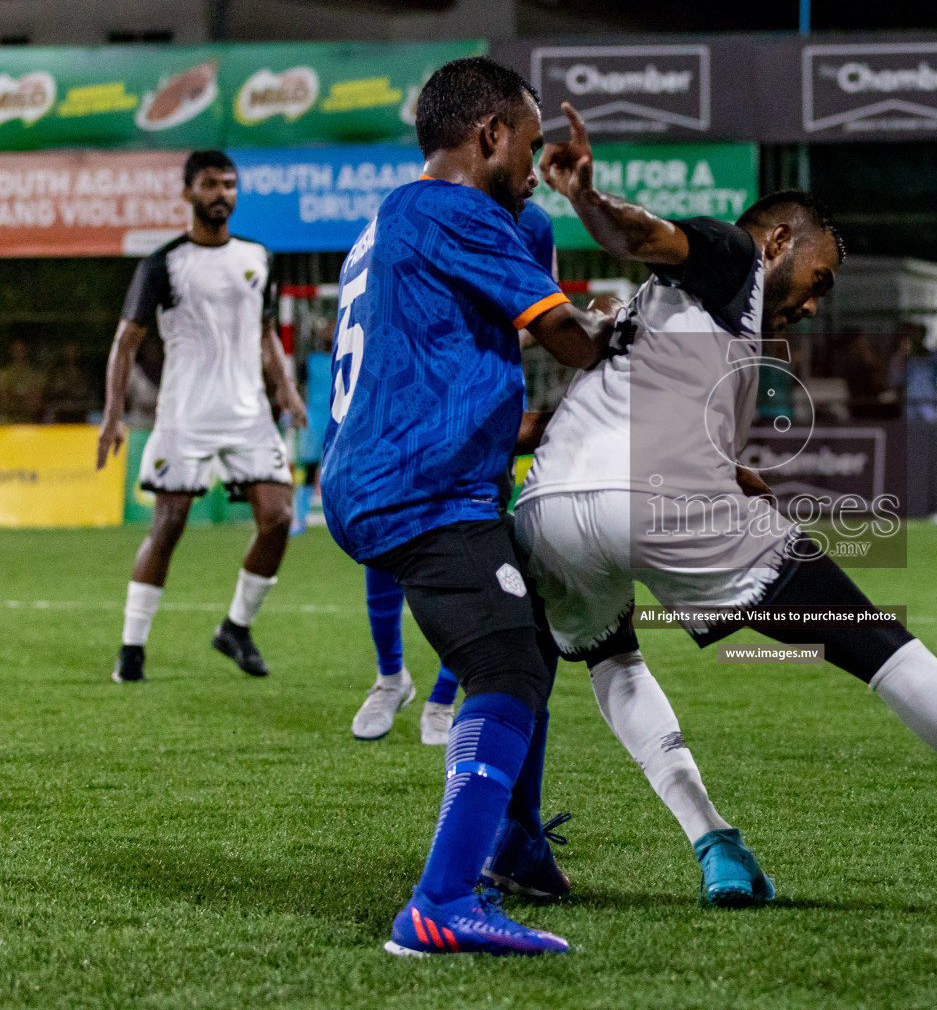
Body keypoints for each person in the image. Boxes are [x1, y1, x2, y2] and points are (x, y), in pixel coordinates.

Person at [516, 102, 937, 910]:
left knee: (613, 657)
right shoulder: (734, 255)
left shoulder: (672, 313)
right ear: (777, 243)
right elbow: (638, 234)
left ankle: (715, 844)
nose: (816, 302)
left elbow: (618, 404)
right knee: (878, 644)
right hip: (658, 507)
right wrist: (585, 198)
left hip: (549, 508)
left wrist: (727, 471)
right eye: (819, 276)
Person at [321, 57, 616, 958]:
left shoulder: (398, 218)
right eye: (528, 146)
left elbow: (444, 375)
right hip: (416, 486)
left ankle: (517, 848)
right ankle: (439, 905)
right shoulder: (451, 207)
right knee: (507, 665)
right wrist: (662, 325)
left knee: (529, 643)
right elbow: (572, 340)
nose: (533, 167)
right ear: (488, 135)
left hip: (400, 466)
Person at [348, 200, 559, 746]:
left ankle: (443, 700)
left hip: (480, 406)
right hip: (411, 410)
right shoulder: (413, 213)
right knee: (393, 539)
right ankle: (389, 677)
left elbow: (541, 313)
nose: (531, 168)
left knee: (479, 547)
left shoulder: (532, 223)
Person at [95, 150, 307, 684]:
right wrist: (113, 415)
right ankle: (132, 648)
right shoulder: (163, 264)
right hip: (185, 415)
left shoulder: (258, 256)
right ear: (188, 193)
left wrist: (285, 389)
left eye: (230, 184)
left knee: (279, 519)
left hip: (249, 415)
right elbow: (125, 342)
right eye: (211, 184)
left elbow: (264, 335)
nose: (222, 194)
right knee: (167, 525)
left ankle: (235, 627)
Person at [0, 339, 46, 423]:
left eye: (21, 350)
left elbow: (35, 405)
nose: (18, 353)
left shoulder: (34, 375)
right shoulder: (3, 375)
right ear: (10, 351)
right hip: (6, 422)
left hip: (29, 422)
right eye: (15, 350)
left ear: (26, 351)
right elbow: (4, 404)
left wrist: (13, 397)